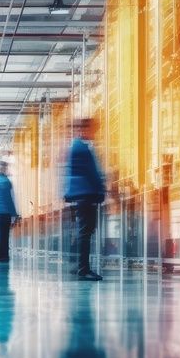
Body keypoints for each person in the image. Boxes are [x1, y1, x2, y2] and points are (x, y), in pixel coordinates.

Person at [64, 117, 107, 281]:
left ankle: (79, 266)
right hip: (86, 194)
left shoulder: (75, 146)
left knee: (82, 232)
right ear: (83, 129)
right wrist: (101, 190)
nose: (94, 133)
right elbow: (92, 173)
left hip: (80, 194)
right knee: (85, 233)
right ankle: (83, 269)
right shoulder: (82, 148)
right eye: (92, 129)